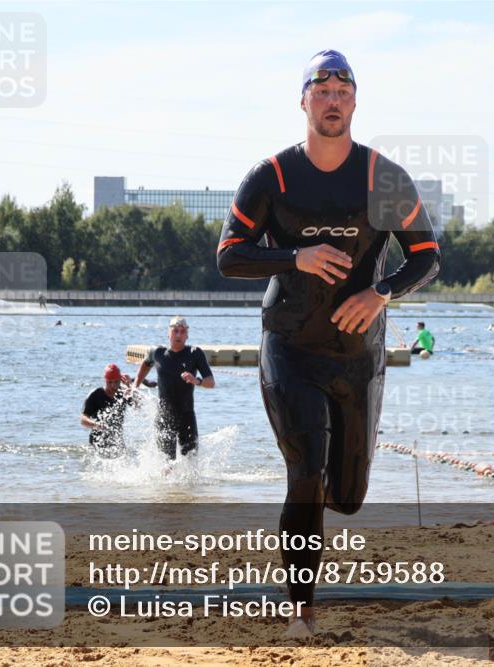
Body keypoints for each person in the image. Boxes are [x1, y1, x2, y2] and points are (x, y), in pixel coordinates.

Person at [216, 49, 440, 638]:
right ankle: (302, 612)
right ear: (304, 101)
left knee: (347, 494)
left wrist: (381, 294)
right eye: (323, 88)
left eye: (344, 90)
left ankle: (331, 509)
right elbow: (229, 256)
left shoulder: (381, 177)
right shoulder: (273, 176)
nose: (333, 99)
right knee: (305, 472)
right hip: (289, 344)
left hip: (357, 354)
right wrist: (296, 255)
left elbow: (426, 257)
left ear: (355, 102)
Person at [134, 316, 214, 460]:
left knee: (191, 461)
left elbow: (211, 382)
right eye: (175, 331)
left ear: (187, 335)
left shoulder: (195, 353)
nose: (178, 335)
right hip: (164, 417)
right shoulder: (157, 353)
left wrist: (196, 381)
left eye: (182, 331)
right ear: (168, 333)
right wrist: (135, 386)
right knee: (166, 463)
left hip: (186, 415)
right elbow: (145, 365)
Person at [81, 363, 140, 457]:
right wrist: (97, 425)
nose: (113, 385)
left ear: (120, 380)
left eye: (116, 382)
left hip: (117, 441)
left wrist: (130, 386)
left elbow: (137, 406)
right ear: (105, 381)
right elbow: (83, 420)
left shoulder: (124, 393)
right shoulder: (96, 395)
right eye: (110, 382)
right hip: (97, 442)